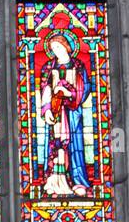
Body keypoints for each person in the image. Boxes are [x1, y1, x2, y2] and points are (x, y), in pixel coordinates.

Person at [39, 30, 91, 197]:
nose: (56, 50)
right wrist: (47, 108)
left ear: (67, 47)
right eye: (53, 48)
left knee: (74, 146)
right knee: (55, 146)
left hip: (72, 112)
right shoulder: (48, 67)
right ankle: (54, 181)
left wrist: (71, 94)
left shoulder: (78, 66)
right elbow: (45, 88)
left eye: (58, 47)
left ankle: (78, 181)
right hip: (55, 112)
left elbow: (85, 87)